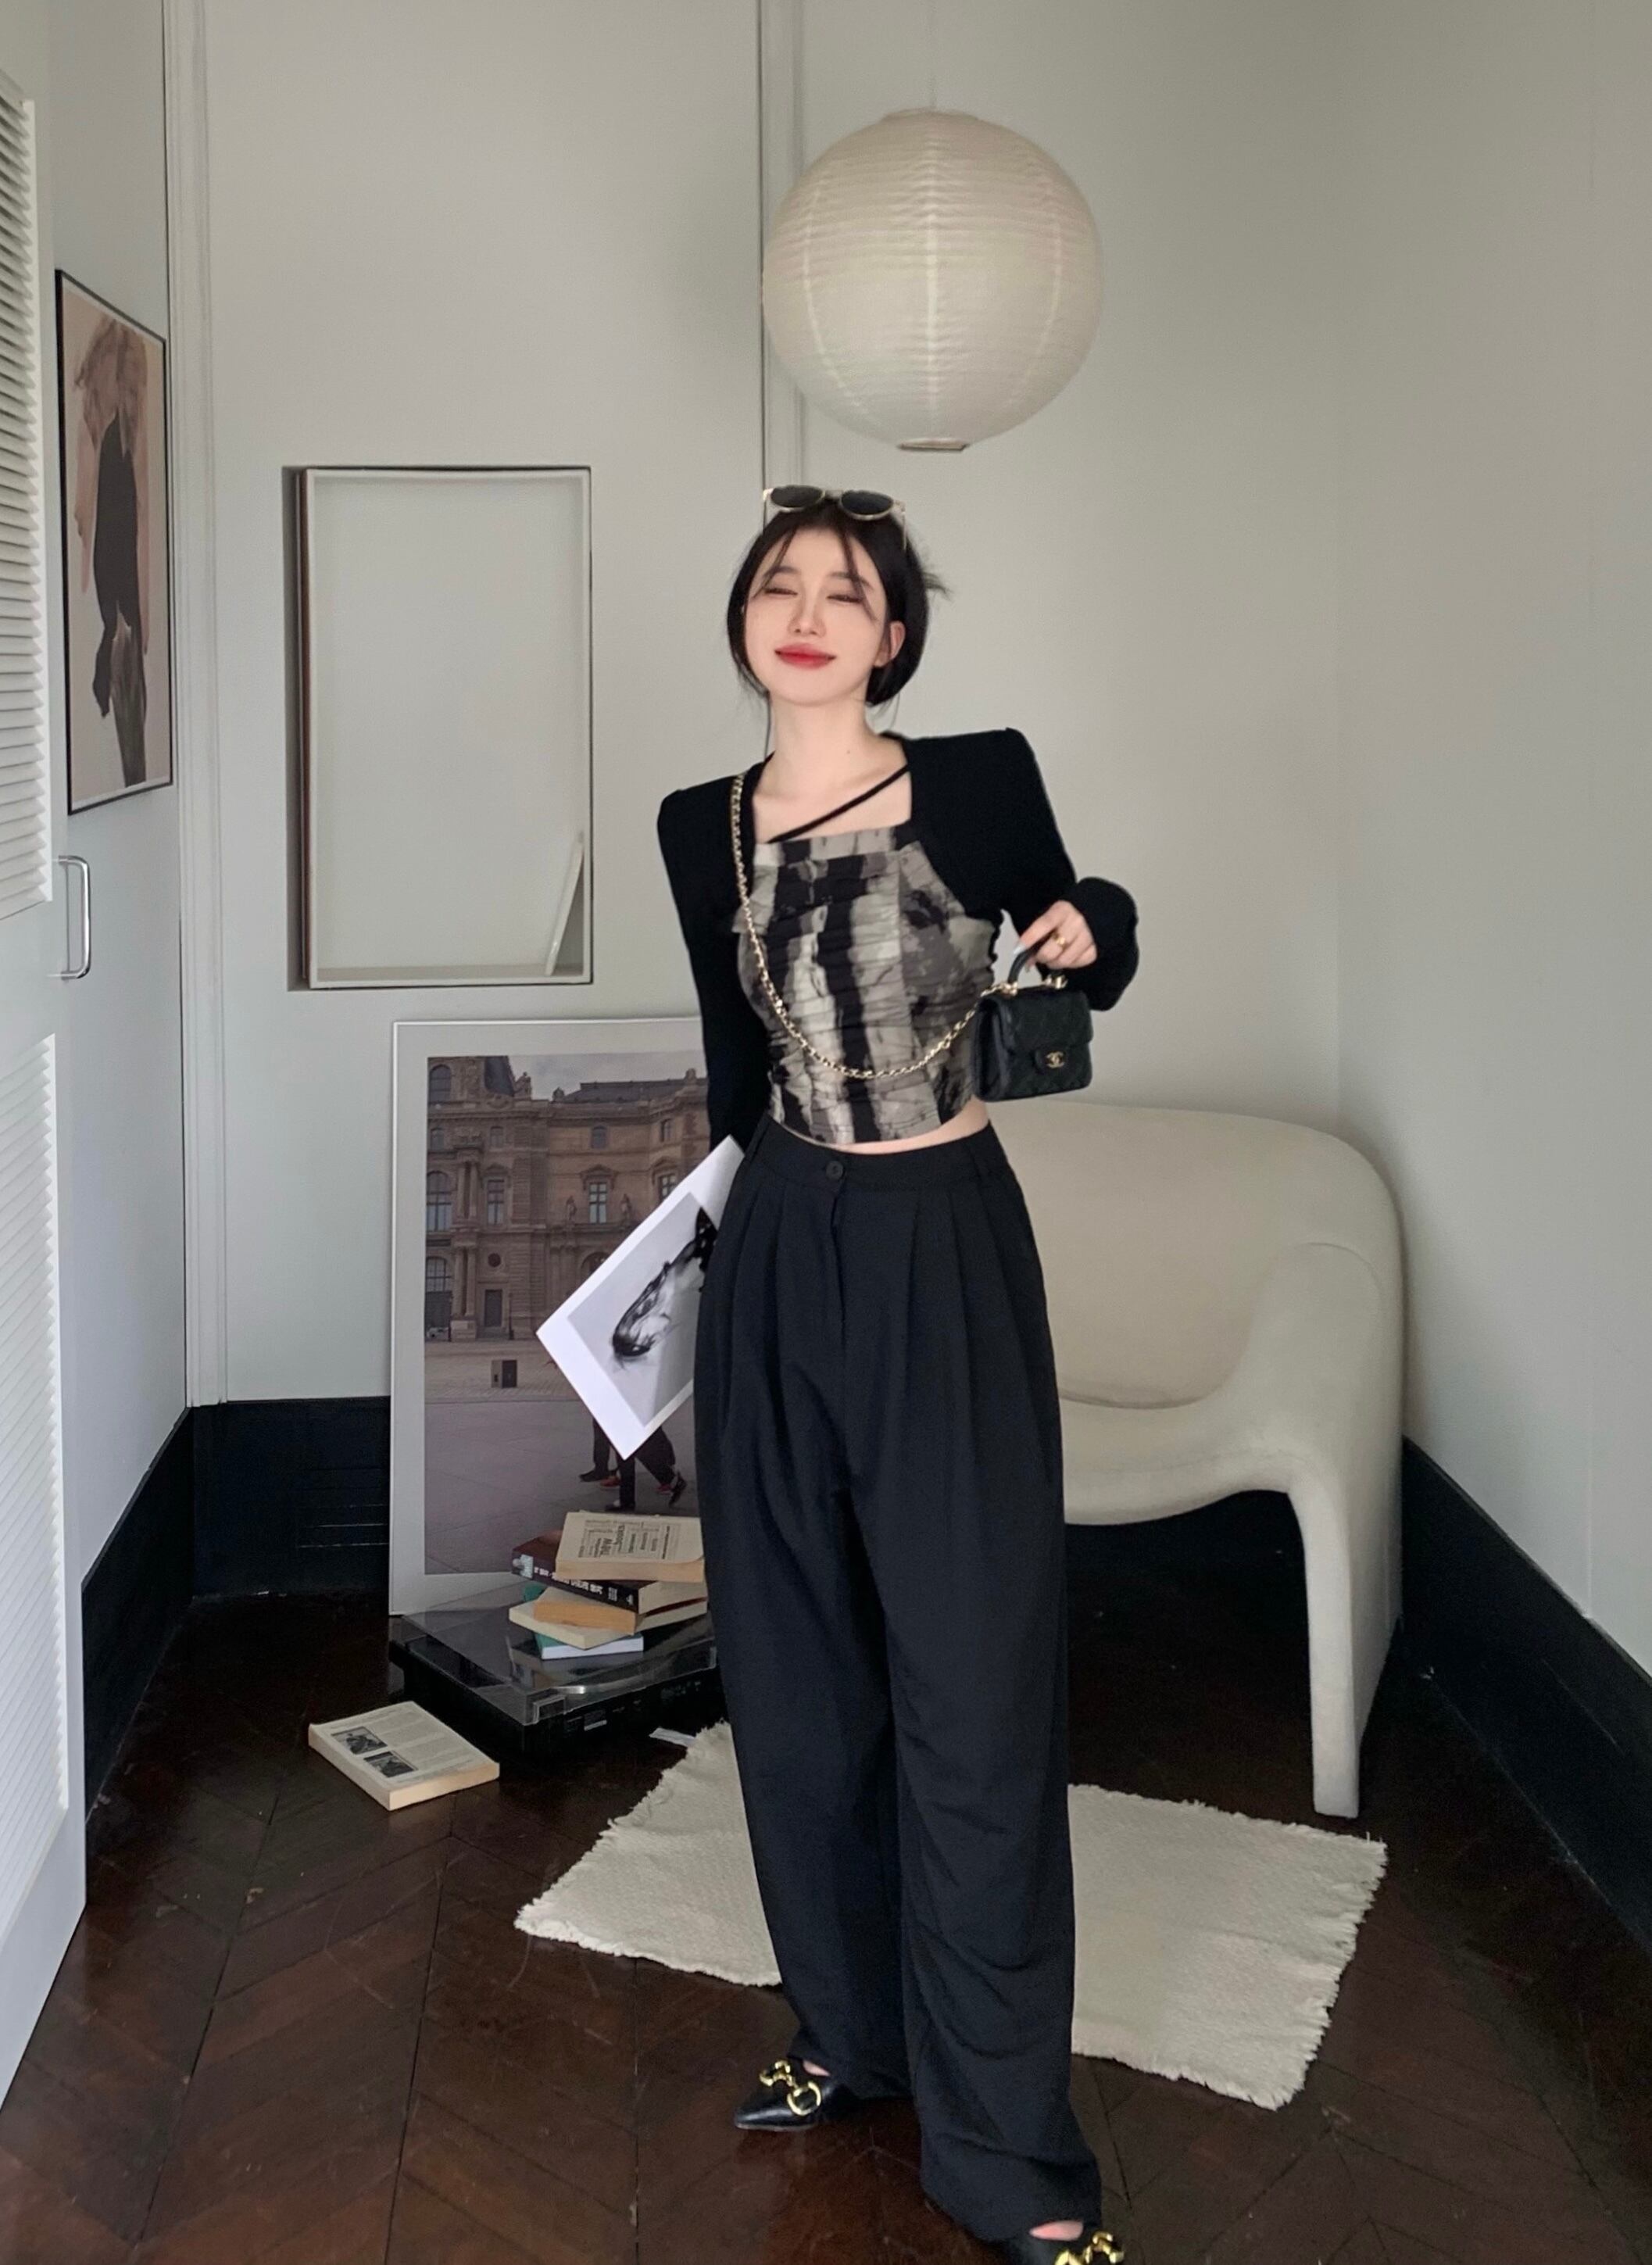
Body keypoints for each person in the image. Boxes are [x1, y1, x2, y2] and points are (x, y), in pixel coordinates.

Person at [655, 488, 1138, 2265]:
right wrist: (684, 1280)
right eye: (776, 585)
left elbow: (1088, 937)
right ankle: (851, 2035)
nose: (804, 613)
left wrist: (1096, 918)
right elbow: (736, 1072)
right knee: (793, 1675)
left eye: (844, 593)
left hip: (944, 1243)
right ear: (744, 619)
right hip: (780, 1244)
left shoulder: (979, 779)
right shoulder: (698, 824)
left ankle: (1007, 2156)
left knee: (972, 1692)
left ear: (894, 637)